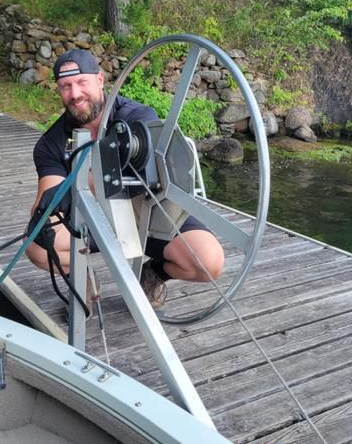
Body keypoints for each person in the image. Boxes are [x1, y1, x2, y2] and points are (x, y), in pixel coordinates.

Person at [25, 48, 224, 311]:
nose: (74, 94)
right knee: (38, 245)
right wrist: (52, 205)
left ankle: (153, 273)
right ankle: (80, 275)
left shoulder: (137, 117)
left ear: (99, 79)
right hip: (94, 222)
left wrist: (82, 185)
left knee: (209, 262)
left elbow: (146, 168)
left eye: (82, 82)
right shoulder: (51, 143)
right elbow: (48, 199)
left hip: (150, 216)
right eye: (65, 86)